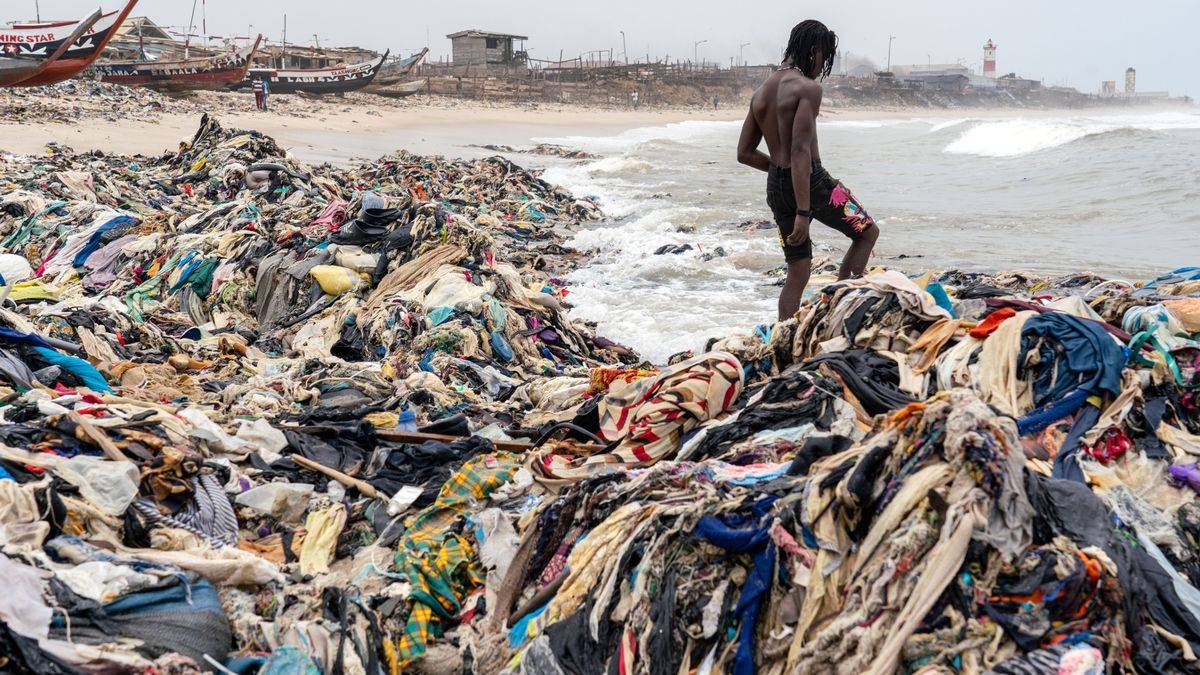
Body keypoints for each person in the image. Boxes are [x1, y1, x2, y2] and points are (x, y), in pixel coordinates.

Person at [737, 19, 879, 321]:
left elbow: (745, 153)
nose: (822, 66)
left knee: (798, 271)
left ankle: (783, 337)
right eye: (824, 58)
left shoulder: (761, 93)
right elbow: (800, 151)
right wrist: (803, 211)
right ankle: (839, 314)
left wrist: (781, 174)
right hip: (812, 182)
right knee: (867, 232)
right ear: (813, 50)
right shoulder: (807, 89)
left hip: (777, 187)